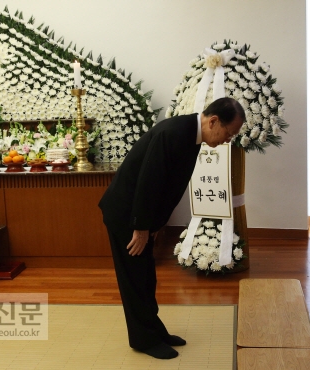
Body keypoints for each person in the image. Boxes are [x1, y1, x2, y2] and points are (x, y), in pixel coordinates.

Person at [98, 97, 245, 360]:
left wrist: (156, 224)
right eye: (228, 133)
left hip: (140, 216)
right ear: (213, 121)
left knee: (146, 276)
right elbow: (148, 183)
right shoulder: (175, 133)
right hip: (126, 215)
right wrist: (142, 227)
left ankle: (154, 330)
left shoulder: (191, 134)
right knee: (133, 278)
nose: (227, 140)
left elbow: (168, 187)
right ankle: (143, 339)